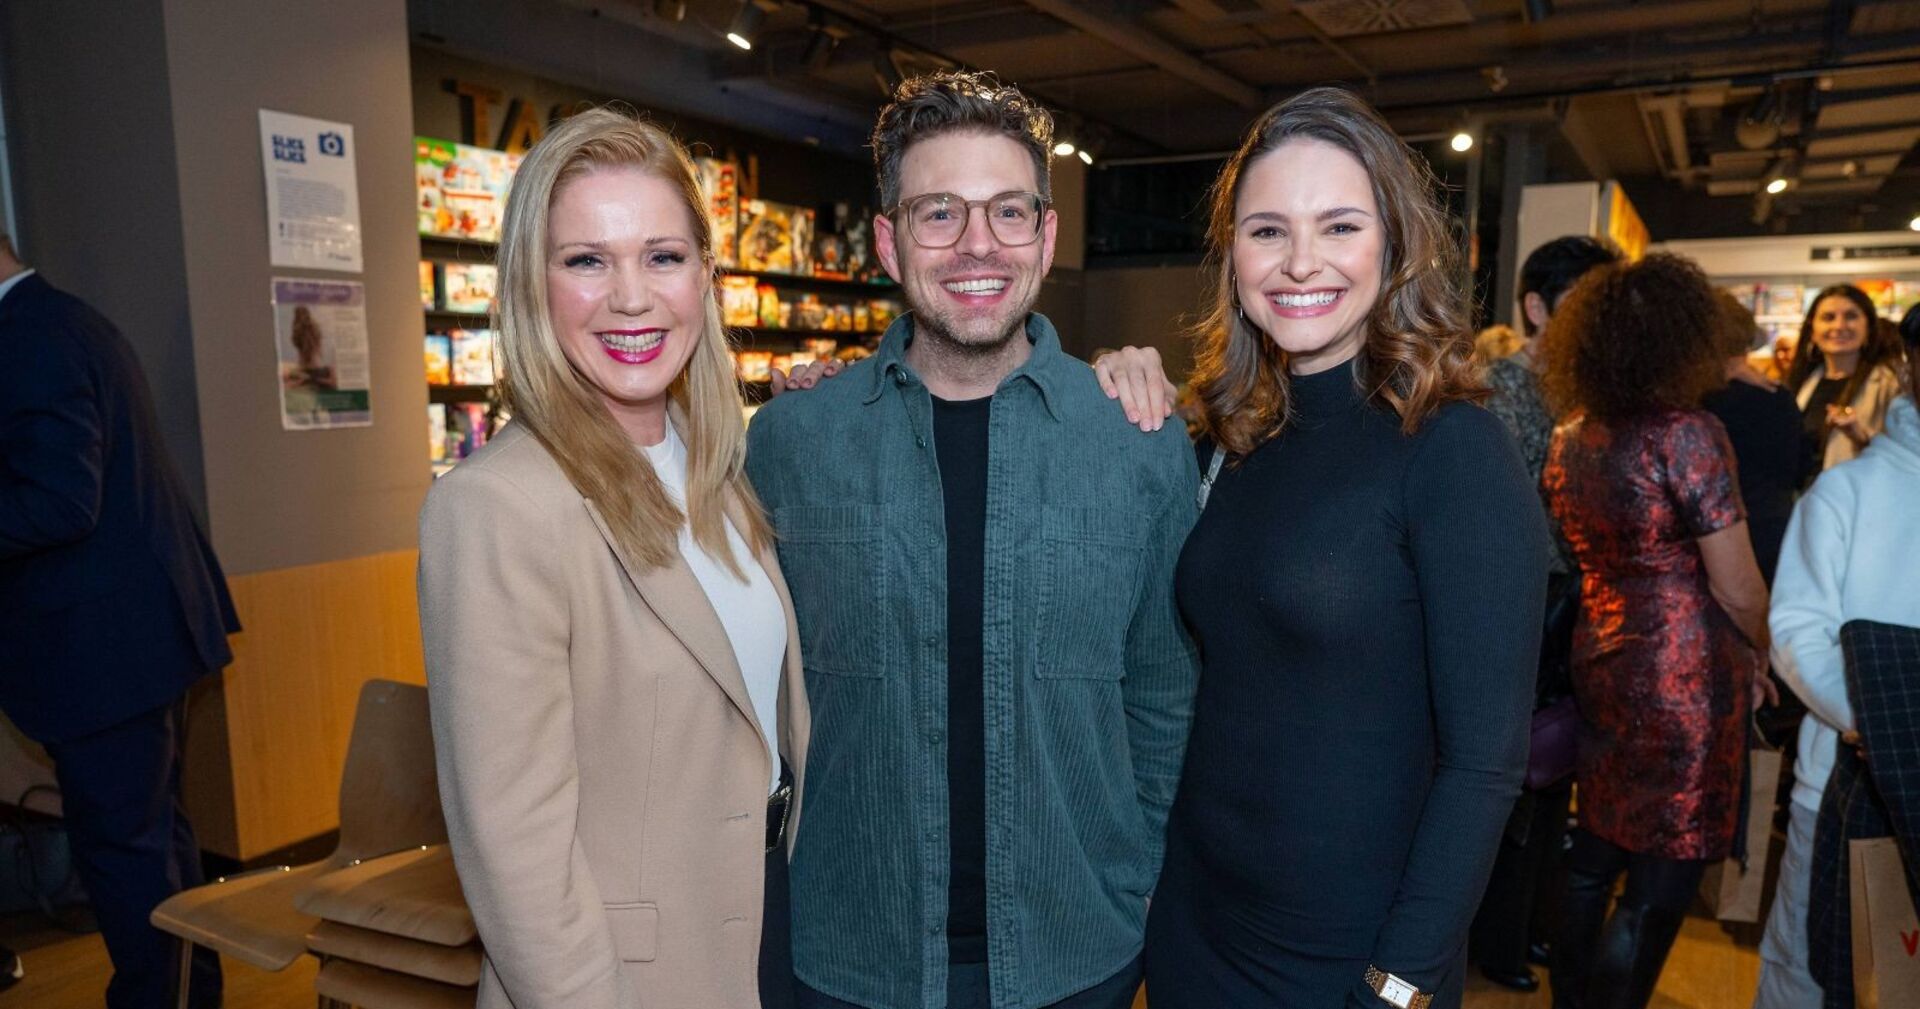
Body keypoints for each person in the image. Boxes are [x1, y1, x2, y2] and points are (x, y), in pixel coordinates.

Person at [747, 70, 1199, 1009]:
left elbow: (1165, 690)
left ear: (1047, 233)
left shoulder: (1136, 443)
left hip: (1078, 955)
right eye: (939, 213)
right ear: (888, 240)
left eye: (1007, 212)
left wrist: (1141, 874)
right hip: (846, 957)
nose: (977, 245)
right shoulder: (793, 442)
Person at [1135, 86, 1545, 1009]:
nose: (1300, 262)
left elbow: (1487, 764)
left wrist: (1396, 983)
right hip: (1195, 925)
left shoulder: (1451, 449)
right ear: (1232, 252)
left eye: (1340, 226)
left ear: (1394, 244)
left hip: (1349, 956)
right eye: (1267, 230)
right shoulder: (1228, 436)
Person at [418, 108, 810, 1009]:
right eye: (586, 260)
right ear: (532, 283)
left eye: (662, 257)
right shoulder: (495, 509)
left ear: (706, 278)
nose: (631, 297)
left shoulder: (715, 467)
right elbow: (513, 849)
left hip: (764, 927)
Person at [0, 232, 235, 1008]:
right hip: (135, 637)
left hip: (102, 651)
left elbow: (63, 500)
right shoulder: (65, 320)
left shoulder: (29, 336)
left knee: (128, 856)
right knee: (158, 847)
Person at [1540, 254, 1772, 1009]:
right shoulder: (1689, 433)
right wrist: (1763, 649)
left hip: (1601, 655)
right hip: (1685, 676)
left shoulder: (1570, 434)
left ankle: (1570, 1000)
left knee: (1593, 851)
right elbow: (1735, 583)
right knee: (1663, 869)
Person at [1468, 234, 1622, 994]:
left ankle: (1527, 925)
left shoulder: (1589, 394)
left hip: (1575, 615)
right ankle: (1493, 936)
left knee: (1551, 775)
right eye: (1583, 303)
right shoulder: (1499, 386)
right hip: (1519, 610)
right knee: (1507, 778)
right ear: (1535, 308)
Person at [1755, 303, 1920, 1009]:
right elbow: (1796, 627)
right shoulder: (1851, 487)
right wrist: (1880, 721)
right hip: (1849, 784)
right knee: (1818, 972)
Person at [1702, 288, 1815, 587]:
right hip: (1773, 530)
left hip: (1718, 540)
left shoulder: (1697, 405)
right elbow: (1794, 468)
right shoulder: (1776, 395)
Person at [1786, 284, 1904, 477]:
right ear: (1812, 330)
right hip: (1805, 500)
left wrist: (1861, 436)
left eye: (1851, 316)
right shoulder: (1802, 383)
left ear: (1868, 327)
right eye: (1828, 318)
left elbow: (1907, 453)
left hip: (1859, 498)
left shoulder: (1889, 384)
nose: (1839, 326)